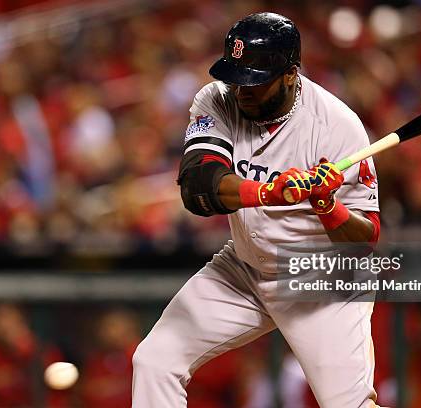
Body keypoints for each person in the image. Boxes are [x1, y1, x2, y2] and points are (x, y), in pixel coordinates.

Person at [132, 12, 381, 407]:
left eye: (255, 80)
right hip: (244, 268)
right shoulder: (216, 99)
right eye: (236, 76)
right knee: (154, 360)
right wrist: (267, 192)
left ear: (290, 74)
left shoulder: (337, 126)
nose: (241, 89)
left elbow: (367, 237)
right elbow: (198, 187)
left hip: (317, 277)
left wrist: (327, 206)